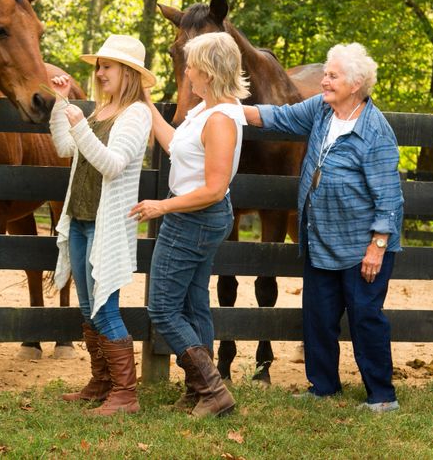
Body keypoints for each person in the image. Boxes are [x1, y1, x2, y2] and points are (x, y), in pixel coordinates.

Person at [241, 42, 404, 413]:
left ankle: (382, 395)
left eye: (332, 76)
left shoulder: (375, 130)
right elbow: (277, 117)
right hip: (321, 239)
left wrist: (377, 245)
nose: (324, 81)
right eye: (325, 74)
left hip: (362, 245)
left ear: (356, 83)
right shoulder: (320, 111)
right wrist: (230, 109)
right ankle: (323, 386)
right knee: (319, 317)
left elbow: (389, 197)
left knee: (365, 319)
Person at [130, 31, 249, 418]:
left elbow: (214, 188)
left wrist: (162, 206)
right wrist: (144, 101)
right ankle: (201, 390)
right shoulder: (204, 111)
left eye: (192, 65)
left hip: (195, 218)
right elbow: (173, 144)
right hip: (196, 217)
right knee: (195, 305)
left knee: (162, 308)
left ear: (210, 72)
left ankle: (212, 389)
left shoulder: (220, 120)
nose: (188, 72)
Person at [48, 34, 154, 416]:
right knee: (88, 307)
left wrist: (80, 126)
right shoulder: (101, 110)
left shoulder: (137, 114)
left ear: (127, 72)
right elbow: (65, 147)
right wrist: (63, 106)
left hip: (105, 227)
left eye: (107, 66)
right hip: (78, 219)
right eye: (98, 66)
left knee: (105, 308)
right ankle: (101, 383)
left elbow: (112, 164)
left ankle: (126, 394)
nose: (99, 72)